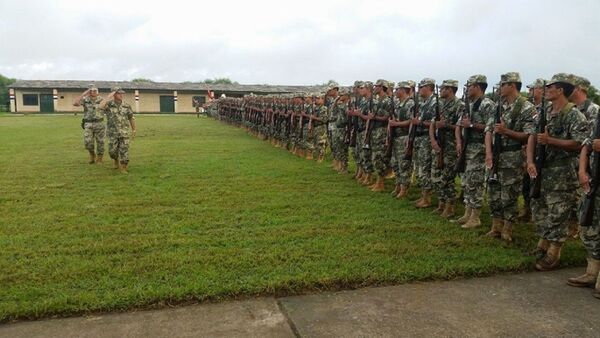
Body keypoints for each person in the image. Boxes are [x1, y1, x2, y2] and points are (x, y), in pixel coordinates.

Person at [526, 73, 588, 270]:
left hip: (563, 172)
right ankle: (542, 244)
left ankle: (554, 251)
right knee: (539, 207)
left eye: (550, 87)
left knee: (557, 212)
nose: (546, 91)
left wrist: (551, 141)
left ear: (560, 90)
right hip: (542, 169)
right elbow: (532, 138)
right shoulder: (545, 111)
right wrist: (529, 161)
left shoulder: (573, 114)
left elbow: (580, 143)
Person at [485, 72, 534, 242]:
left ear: (512, 85)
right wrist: (489, 153)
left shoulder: (526, 107)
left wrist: (507, 131)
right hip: (496, 155)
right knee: (493, 192)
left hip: (513, 156)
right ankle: (495, 226)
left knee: (510, 194)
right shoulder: (498, 105)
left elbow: (529, 135)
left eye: (502, 85)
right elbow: (489, 130)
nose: (499, 88)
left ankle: (508, 228)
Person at [456, 75, 495, 228]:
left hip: (479, 148)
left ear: (478, 87)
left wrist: (471, 125)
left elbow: (489, 128)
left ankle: (475, 216)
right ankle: (467, 212)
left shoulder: (487, 104)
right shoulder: (469, 104)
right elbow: (460, 124)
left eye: (470, 86)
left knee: (476, 182)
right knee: (466, 181)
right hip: (468, 147)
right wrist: (459, 141)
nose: (467, 89)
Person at [570, 99, 600, 297]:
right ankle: (592, 271)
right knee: (589, 228)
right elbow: (587, 144)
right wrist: (582, 171)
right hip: (595, 179)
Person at [430, 80, 464, 218]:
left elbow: (459, 127)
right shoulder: (440, 104)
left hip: (450, 146)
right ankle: (441, 204)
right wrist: (433, 140)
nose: (441, 90)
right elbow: (434, 124)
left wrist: (446, 126)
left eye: (443, 88)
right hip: (439, 145)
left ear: (450, 89)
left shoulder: (459, 105)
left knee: (447, 178)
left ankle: (449, 207)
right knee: (436, 176)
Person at [413, 78, 438, 208]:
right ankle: (424, 195)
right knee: (421, 168)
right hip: (420, 139)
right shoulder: (423, 103)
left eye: (421, 87)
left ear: (428, 87)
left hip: (428, 139)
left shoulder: (434, 103)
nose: (419, 90)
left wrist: (420, 123)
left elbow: (436, 124)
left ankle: (427, 198)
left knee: (426, 169)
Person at [99, 87, 137, 173]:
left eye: (122, 93)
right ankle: (115, 160)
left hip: (124, 132)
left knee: (124, 150)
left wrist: (134, 129)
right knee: (112, 151)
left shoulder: (126, 106)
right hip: (112, 133)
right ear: (114, 94)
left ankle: (124, 167)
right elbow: (100, 107)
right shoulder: (108, 104)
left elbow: (131, 118)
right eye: (119, 93)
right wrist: (108, 97)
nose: (121, 95)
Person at [389, 80, 416, 199]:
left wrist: (396, 124)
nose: (395, 91)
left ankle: (404, 187)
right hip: (396, 137)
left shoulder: (410, 104)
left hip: (404, 136)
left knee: (404, 164)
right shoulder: (398, 103)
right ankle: (398, 184)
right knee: (395, 163)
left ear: (403, 90)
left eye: (397, 89)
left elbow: (411, 121)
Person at [367, 79, 394, 192]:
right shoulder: (377, 101)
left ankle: (381, 182)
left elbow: (388, 117)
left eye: (377, 86)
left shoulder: (387, 101)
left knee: (380, 157)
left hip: (382, 132)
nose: (375, 87)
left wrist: (374, 117)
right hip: (375, 131)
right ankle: (378, 181)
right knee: (375, 156)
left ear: (382, 87)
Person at [73, 85, 105, 164]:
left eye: (95, 91)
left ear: (97, 92)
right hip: (88, 123)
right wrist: (83, 94)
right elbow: (75, 103)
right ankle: (92, 155)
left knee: (100, 142)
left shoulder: (101, 99)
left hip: (99, 123)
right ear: (89, 91)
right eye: (91, 91)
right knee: (88, 142)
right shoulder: (85, 99)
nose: (93, 92)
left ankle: (100, 158)